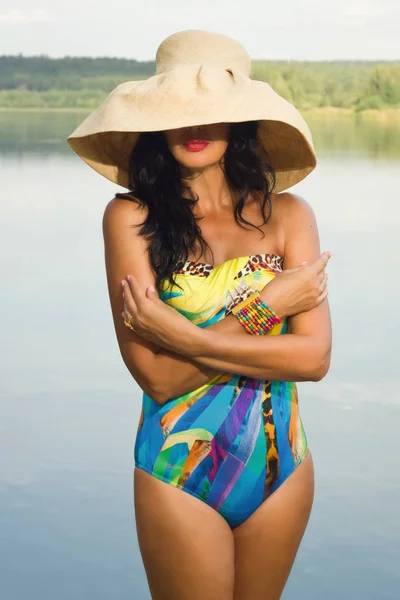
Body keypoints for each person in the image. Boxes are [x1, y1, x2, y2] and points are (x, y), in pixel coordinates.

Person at [68, 29, 332, 600]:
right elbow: (158, 378)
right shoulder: (129, 220)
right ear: (155, 124)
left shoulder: (290, 215)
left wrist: (180, 334)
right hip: (177, 472)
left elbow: (313, 358)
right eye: (178, 113)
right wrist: (268, 308)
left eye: (212, 113)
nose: (194, 128)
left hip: (281, 465)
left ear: (240, 122)